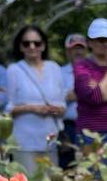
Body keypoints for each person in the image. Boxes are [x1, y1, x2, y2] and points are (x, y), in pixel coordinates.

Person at [5, 24, 64, 173]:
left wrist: (52, 109)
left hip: (50, 141)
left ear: (43, 46)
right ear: (20, 47)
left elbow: (63, 108)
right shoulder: (14, 70)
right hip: (24, 142)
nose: (32, 47)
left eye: (37, 43)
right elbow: (7, 109)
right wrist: (31, 108)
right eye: (26, 43)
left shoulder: (54, 68)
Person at [59, 32, 87, 167]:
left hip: (89, 126)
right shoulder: (59, 72)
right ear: (67, 51)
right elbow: (56, 97)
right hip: (67, 127)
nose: (78, 52)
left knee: (88, 165)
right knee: (67, 167)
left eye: (81, 48)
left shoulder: (94, 71)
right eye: (74, 48)